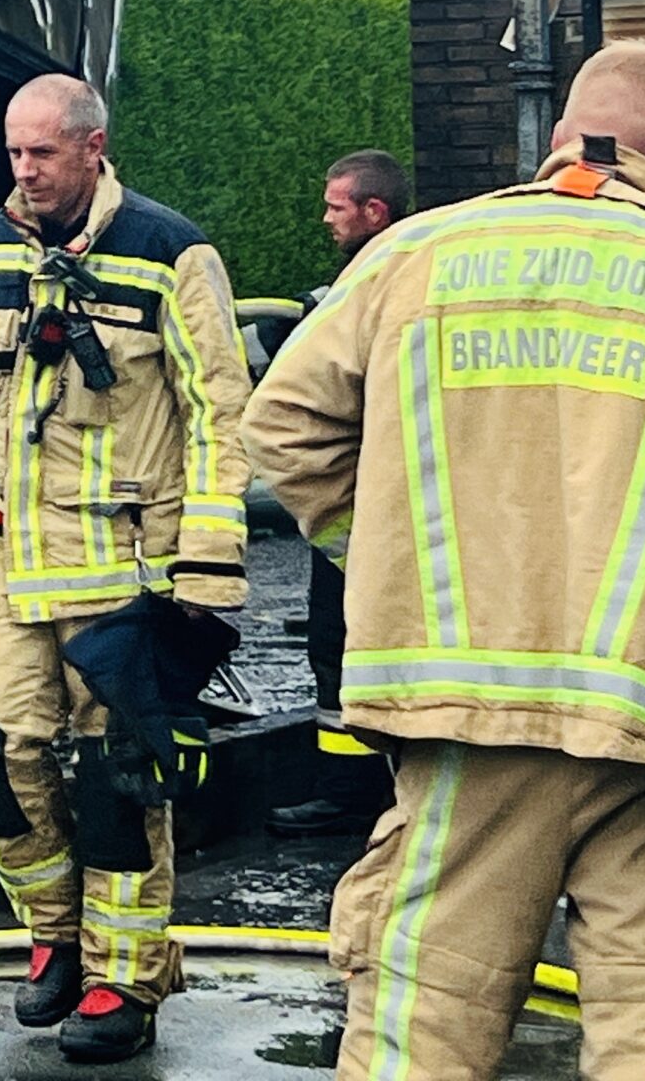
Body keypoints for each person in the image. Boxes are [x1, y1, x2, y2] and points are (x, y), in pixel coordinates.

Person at [245, 39, 645, 1079]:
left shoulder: (412, 253)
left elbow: (283, 428)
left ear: (564, 134)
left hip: (456, 715)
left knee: (421, 1028)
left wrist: (377, 549)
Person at [0, 73, 253, 1062]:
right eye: (12, 153)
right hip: (7, 562)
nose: (23, 172)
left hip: (124, 569)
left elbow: (217, 417)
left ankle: (123, 982)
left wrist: (206, 570)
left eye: (42, 155)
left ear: (93, 147)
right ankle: (52, 938)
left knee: (121, 782)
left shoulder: (169, 253)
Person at [266, 149, 408, 838]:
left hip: (359, 502)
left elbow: (296, 414)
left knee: (346, 646)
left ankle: (353, 793)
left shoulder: (371, 286)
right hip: (379, 499)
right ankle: (367, 790)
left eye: (336, 207)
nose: (325, 219)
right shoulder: (401, 277)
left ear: (372, 211)